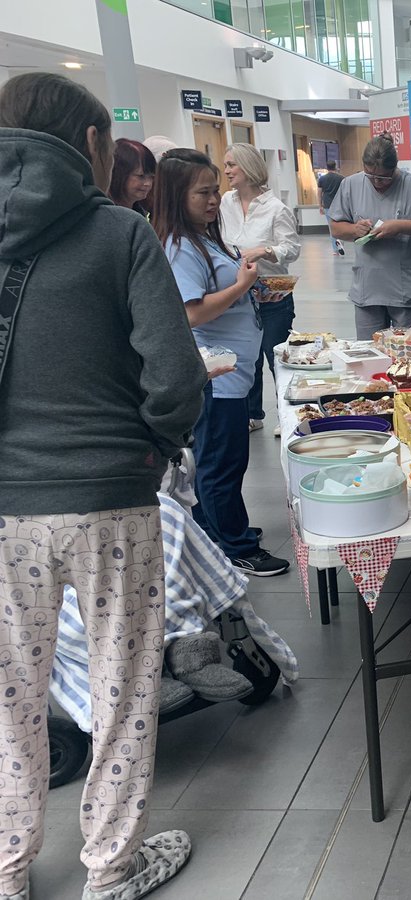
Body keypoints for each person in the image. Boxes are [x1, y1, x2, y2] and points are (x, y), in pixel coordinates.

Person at [0, 72, 206, 900]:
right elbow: (176, 377)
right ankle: (110, 867)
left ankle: (9, 867)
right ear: (89, 146)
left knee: (11, 692)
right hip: (113, 497)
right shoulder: (119, 234)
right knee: (124, 685)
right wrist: (152, 449)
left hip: (5, 508)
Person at [156, 148, 290, 578]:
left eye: (216, 190)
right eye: (203, 193)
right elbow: (192, 312)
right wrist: (242, 286)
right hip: (217, 375)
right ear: (177, 196)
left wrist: (251, 290)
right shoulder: (180, 247)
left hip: (233, 371)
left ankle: (219, 530)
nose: (214, 200)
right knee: (220, 461)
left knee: (226, 459)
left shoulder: (203, 236)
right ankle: (233, 547)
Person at [220, 142, 301, 436]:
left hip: (272, 296)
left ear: (249, 168)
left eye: (231, 165)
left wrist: (264, 251)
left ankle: (287, 415)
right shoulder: (224, 203)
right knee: (246, 356)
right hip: (238, 293)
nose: (226, 170)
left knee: (274, 356)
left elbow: (291, 249)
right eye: (225, 165)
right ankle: (252, 414)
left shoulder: (275, 208)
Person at [327, 134, 411, 339]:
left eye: (384, 177)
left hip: (406, 291)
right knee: (369, 356)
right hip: (367, 289)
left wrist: (400, 226)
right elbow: (335, 227)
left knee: (409, 358)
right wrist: (354, 230)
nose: (377, 182)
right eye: (370, 176)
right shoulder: (351, 185)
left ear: (395, 168)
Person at [107, 137, 156, 216]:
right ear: (119, 174)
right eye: (141, 176)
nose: (148, 183)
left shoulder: (141, 210)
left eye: (151, 177)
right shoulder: (108, 215)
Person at [317, 159, 345, 256]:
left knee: (331, 227)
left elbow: (319, 193)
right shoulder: (341, 178)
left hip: (328, 205)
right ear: (335, 166)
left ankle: (335, 250)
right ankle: (341, 242)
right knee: (341, 225)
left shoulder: (322, 179)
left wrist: (320, 205)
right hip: (339, 205)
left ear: (327, 167)